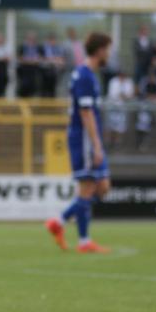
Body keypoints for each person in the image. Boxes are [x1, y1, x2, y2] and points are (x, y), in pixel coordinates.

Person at [45, 32, 113, 254]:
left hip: (86, 136)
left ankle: (62, 222)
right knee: (88, 187)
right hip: (84, 137)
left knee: (101, 186)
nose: (109, 54)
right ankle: (80, 238)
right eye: (108, 49)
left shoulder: (87, 75)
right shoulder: (84, 76)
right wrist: (96, 145)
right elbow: (86, 113)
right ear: (100, 50)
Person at [106, 71, 135, 150]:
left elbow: (130, 95)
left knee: (120, 127)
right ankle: (108, 143)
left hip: (123, 108)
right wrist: (123, 95)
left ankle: (117, 143)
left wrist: (123, 96)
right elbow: (112, 95)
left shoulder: (129, 81)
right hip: (112, 107)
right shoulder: (113, 81)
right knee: (110, 126)